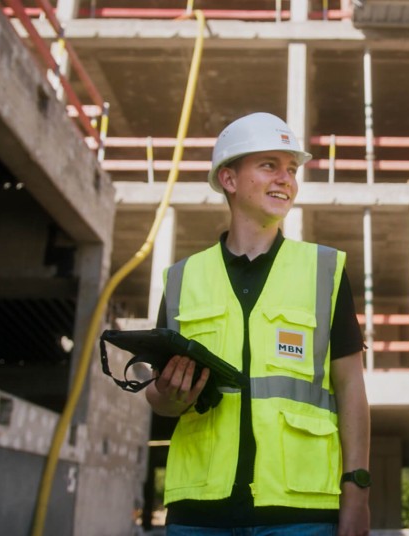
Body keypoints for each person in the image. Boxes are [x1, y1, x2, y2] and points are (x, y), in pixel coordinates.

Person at [146, 112, 371, 536]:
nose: (286, 179)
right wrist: (171, 398)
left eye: (291, 170)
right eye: (269, 165)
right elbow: (159, 397)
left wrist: (357, 490)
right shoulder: (182, 279)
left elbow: (351, 388)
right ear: (229, 180)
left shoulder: (325, 271)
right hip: (199, 512)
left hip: (300, 511)